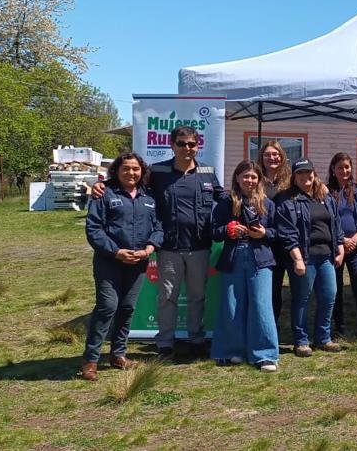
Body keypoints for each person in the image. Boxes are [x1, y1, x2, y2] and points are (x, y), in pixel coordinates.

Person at [93, 125, 228, 359]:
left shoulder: (207, 171)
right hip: (168, 247)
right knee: (167, 297)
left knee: (197, 297)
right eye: (181, 144)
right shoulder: (157, 171)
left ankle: (196, 340)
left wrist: (248, 196)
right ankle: (165, 343)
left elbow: (223, 197)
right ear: (172, 145)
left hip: (199, 246)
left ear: (198, 146)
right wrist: (103, 185)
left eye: (191, 144)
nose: (187, 148)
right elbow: (131, 185)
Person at [82, 153, 162, 381]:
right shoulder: (104, 193)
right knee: (107, 307)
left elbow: (159, 226)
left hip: (138, 262)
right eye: (126, 168)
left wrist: (149, 248)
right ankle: (90, 360)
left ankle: (118, 355)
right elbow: (94, 229)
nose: (131, 173)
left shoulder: (149, 196)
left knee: (127, 308)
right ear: (117, 171)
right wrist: (116, 252)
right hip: (109, 261)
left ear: (142, 171)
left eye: (135, 169)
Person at [210, 161, 279, 372]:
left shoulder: (268, 204)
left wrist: (264, 233)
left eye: (253, 177)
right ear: (237, 178)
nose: (249, 180)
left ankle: (265, 355)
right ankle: (231, 351)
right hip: (234, 257)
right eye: (245, 176)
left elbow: (279, 232)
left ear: (259, 180)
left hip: (261, 259)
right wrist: (227, 230)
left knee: (261, 305)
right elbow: (213, 231)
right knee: (231, 304)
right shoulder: (226, 203)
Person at [276, 159, 345, 355]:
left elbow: (336, 223)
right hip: (304, 257)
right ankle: (301, 341)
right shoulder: (288, 200)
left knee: (329, 296)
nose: (305, 176)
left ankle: (323, 338)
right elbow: (287, 233)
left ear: (314, 174)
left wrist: (340, 247)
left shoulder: (325, 196)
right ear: (294, 177)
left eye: (308, 172)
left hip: (326, 256)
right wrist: (297, 259)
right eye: (300, 173)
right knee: (302, 299)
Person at [328, 152, 357, 338]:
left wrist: (355, 238)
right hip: (336, 248)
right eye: (340, 167)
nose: (344, 171)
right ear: (333, 170)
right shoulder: (325, 192)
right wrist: (342, 240)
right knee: (336, 289)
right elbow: (326, 220)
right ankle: (339, 327)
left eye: (347, 167)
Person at [256, 140, 292, 325]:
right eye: (267, 155)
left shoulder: (290, 180)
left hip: (287, 241)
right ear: (261, 158)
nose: (272, 158)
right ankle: (267, 326)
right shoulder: (256, 180)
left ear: (282, 156)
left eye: (275, 154)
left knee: (291, 288)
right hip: (265, 241)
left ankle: (279, 326)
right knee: (270, 288)